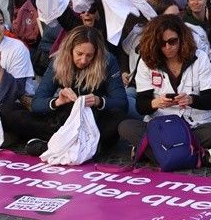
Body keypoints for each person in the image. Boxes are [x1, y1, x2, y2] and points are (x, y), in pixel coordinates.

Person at [118, 16, 211, 162]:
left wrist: (191, 99)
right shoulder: (147, 61)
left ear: (181, 38)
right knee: (125, 127)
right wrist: (156, 103)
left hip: (194, 125)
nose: (168, 47)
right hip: (161, 126)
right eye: (162, 43)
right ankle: (194, 154)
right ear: (155, 43)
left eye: (172, 41)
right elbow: (141, 106)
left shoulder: (199, 58)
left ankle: (153, 152)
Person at [7, 26, 127, 157]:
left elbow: (121, 103)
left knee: (120, 120)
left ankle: (55, 145)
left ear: (97, 53)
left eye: (89, 55)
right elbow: (37, 103)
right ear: (70, 50)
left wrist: (99, 101)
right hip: (62, 121)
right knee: (8, 111)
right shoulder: (58, 61)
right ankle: (74, 145)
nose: (83, 60)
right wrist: (57, 101)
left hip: (93, 122)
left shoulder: (108, 61)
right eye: (79, 54)